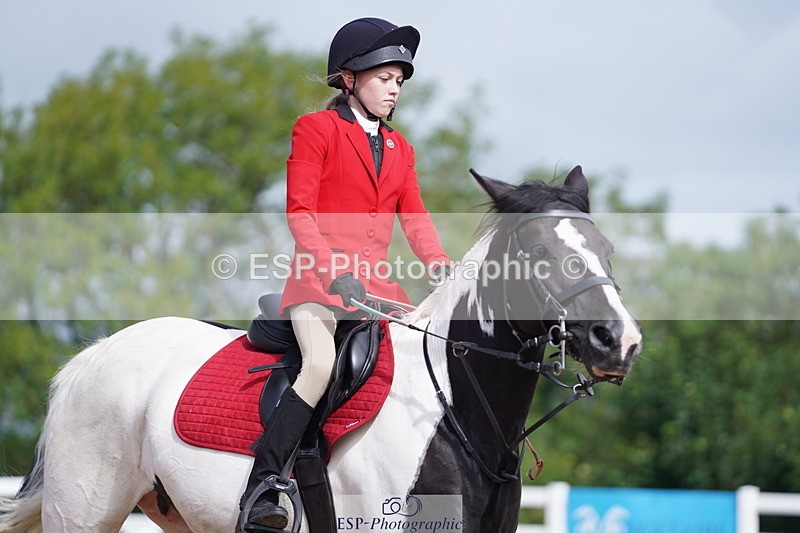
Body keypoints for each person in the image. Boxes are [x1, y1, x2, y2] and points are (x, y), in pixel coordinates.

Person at [238, 17, 450, 529]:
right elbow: (300, 213)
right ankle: (263, 486)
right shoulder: (317, 129)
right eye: (384, 78)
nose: (394, 89)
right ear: (350, 78)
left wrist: (441, 264)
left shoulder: (402, 149)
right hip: (319, 284)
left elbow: (415, 216)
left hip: (377, 289)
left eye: (399, 80)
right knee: (319, 366)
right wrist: (333, 271)